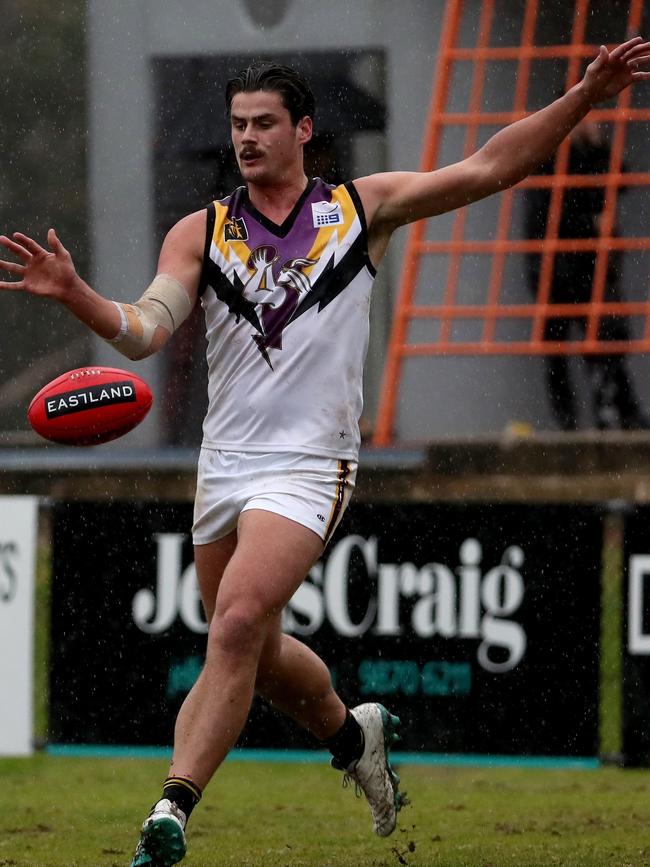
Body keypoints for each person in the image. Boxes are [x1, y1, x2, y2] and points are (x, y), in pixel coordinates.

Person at [1, 38, 649, 867]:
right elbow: (145, 329)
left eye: (264, 123)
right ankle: (355, 734)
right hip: (224, 464)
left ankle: (171, 808)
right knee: (256, 653)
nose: (246, 137)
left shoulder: (360, 209)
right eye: (237, 124)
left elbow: (490, 167)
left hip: (312, 465)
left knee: (234, 621)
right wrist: (80, 295)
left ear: (303, 129)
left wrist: (585, 98)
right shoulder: (201, 233)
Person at [525, 114, 649, 431]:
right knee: (560, 353)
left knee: (604, 342)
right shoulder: (548, 156)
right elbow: (552, 214)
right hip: (559, 270)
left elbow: (618, 179)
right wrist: (588, 222)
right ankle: (576, 420)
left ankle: (620, 412)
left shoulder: (584, 155)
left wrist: (597, 145)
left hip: (587, 268)